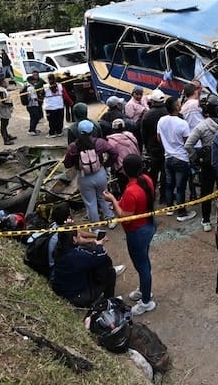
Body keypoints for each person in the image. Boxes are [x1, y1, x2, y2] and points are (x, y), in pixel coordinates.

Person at [103, 154, 158, 316]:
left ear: (126, 171)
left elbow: (124, 217)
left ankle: (146, 301)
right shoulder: (146, 180)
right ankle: (143, 289)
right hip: (148, 225)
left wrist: (113, 199)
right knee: (144, 262)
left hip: (137, 232)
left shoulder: (131, 191)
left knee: (142, 266)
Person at [64, 120, 118, 227]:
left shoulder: (74, 146)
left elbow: (67, 164)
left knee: (90, 202)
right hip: (99, 173)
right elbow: (114, 152)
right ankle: (110, 219)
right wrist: (106, 164)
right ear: (92, 130)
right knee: (104, 196)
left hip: (84, 177)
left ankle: (96, 227)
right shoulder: (99, 142)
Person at [50, 227, 121, 308]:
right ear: (74, 239)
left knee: (93, 267)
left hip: (64, 290)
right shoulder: (75, 256)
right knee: (110, 273)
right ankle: (109, 302)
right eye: (78, 234)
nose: (80, 234)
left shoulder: (59, 250)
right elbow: (101, 257)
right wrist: (99, 246)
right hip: (77, 297)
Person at [185, 93, 218, 232]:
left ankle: (206, 219)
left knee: (206, 192)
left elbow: (188, 145)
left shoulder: (202, 126)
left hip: (207, 164)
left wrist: (196, 157)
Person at [157, 96, 197, 222]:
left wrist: (168, 145)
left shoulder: (161, 120)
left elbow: (159, 138)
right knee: (180, 186)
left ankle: (169, 208)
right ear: (177, 107)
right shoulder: (182, 123)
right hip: (181, 158)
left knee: (169, 184)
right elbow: (187, 142)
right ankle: (181, 212)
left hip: (167, 157)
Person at [140, 89, 168, 199]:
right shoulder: (168, 112)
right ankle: (164, 194)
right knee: (165, 172)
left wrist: (147, 147)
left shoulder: (147, 115)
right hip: (166, 147)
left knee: (153, 172)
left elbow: (144, 134)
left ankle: (151, 194)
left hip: (153, 148)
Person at [0, 77, 16, 145]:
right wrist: (10, 104)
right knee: (4, 124)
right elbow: (2, 102)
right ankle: (5, 140)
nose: (6, 83)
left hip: (5, 109)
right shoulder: (1, 91)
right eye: (5, 82)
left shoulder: (2, 90)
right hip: (3, 109)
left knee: (5, 123)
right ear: (2, 83)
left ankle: (7, 135)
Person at [43, 74, 65, 138]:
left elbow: (41, 95)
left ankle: (52, 133)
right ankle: (59, 132)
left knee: (51, 121)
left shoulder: (45, 87)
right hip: (59, 105)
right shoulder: (59, 85)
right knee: (59, 120)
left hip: (50, 107)